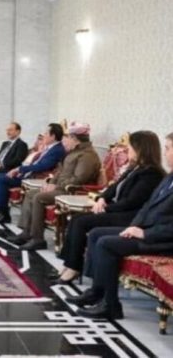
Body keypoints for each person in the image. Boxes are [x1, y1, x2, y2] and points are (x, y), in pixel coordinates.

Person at [66, 132, 173, 319]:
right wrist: (135, 227)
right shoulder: (169, 178)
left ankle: (111, 306)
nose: (165, 153)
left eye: (168, 148)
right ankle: (97, 292)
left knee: (107, 243)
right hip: (146, 231)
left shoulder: (155, 174)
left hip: (162, 240)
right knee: (96, 234)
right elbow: (147, 207)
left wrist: (144, 234)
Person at [54, 131, 164, 284]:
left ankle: (74, 267)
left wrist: (106, 209)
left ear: (140, 148)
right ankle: (68, 264)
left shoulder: (152, 174)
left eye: (130, 146)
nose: (127, 149)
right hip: (117, 210)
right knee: (77, 219)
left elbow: (132, 202)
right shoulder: (134, 168)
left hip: (129, 215)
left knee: (81, 222)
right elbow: (113, 187)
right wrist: (101, 198)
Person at [10, 122, 101, 251]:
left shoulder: (87, 155)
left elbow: (79, 179)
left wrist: (57, 186)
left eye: (67, 137)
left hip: (71, 192)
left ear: (75, 139)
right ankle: (27, 232)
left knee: (38, 197)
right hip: (60, 188)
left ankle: (37, 239)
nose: (65, 141)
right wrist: (51, 183)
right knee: (30, 194)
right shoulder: (73, 152)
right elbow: (60, 171)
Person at [0, 123, 66, 224]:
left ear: (53, 136)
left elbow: (42, 166)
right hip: (29, 175)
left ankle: (4, 214)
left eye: (46, 133)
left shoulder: (57, 150)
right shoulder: (50, 148)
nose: (44, 135)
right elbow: (35, 162)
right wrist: (20, 170)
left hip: (36, 178)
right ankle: (0, 210)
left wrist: (20, 169)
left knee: (2, 179)